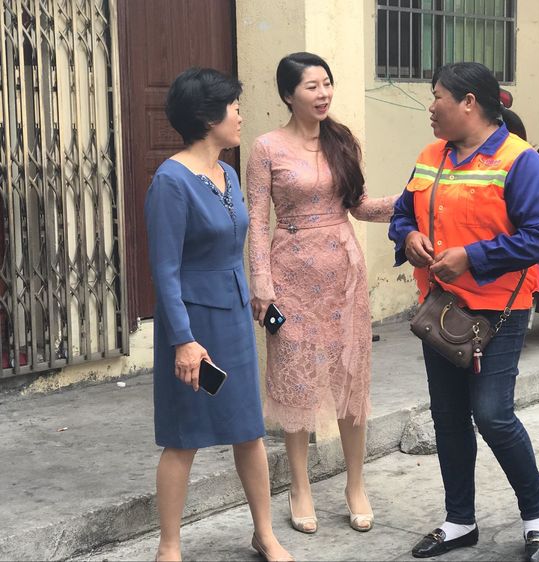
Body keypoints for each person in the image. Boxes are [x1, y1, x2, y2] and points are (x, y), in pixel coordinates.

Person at [388, 62, 539, 562]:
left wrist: (473, 256)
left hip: (498, 310)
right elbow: (402, 213)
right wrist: (409, 236)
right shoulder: (429, 157)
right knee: (447, 416)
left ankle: (537, 519)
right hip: (441, 308)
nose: (431, 107)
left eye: (437, 96)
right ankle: (459, 520)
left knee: (492, 415)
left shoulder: (519, 160)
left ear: (469, 102)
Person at [246, 52, 398, 535]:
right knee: (295, 382)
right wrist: (261, 284)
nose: (323, 93)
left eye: (327, 83)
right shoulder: (266, 148)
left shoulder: (342, 140)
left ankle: (356, 484)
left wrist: (410, 203)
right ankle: (300, 486)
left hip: (343, 279)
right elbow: (256, 222)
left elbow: (360, 207)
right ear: (288, 95)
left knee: (350, 378)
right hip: (289, 281)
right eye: (312, 86)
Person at [145, 67, 292, 562]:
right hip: (192, 325)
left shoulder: (228, 173)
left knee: (248, 430)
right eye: (235, 108)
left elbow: (240, 242)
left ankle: (264, 534)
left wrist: (258, 295)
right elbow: (165, 271)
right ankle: (169, 545)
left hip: (232, 317)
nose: (241, 116)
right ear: (209, 118)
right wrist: (183, 341)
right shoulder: (170, 181)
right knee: (183, 435)